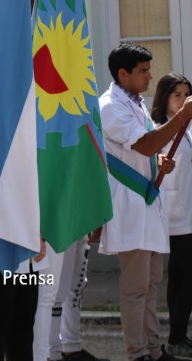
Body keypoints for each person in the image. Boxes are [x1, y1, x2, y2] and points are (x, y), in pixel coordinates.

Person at [98, 43, 192, 361]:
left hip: (148, 204)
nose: (150, 77)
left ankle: (153, 349)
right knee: (136, 288)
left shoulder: (134, 103)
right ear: (122, 74)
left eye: (149, 70)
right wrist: (182, 117)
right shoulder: (110, 105)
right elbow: (146, 145)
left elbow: (152, 148)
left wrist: (162, 159)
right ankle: (137, 352)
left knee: (151, 286)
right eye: (143, 71)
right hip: (130, 206)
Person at [152, 73, 192, 358]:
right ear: (164, 97)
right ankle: (177, 336)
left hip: (187, 212)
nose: (182, 100)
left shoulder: (188, 128)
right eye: (176, 94)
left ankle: (176, 337)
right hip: (175, 215)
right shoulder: (158, 129)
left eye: (186, 95)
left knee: (178, 276)